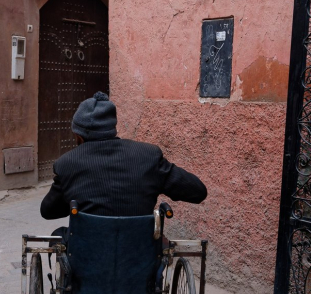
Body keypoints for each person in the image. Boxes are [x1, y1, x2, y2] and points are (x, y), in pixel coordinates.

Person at [40, 92, 207, 221]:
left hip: (87, 259)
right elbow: (197, 192)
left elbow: (48, 211)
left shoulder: (67, 164)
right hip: (140, 257)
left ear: (78, 135)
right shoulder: (148, 156)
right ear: (112, 128)